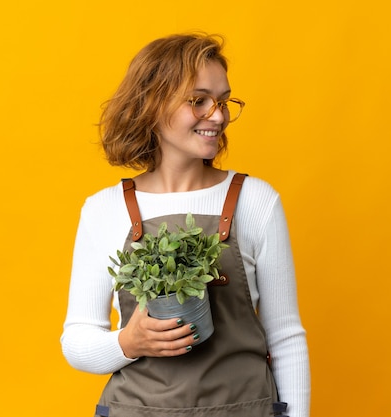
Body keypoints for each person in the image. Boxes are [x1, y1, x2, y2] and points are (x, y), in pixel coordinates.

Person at [61, 33, 310, 417]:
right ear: (151, 104)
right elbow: (77, 341)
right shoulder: (104, 209)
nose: (218, 115)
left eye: (224, 101)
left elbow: (286, 338)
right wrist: (129, 342)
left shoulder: (256, 201)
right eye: (199, 101)